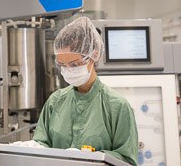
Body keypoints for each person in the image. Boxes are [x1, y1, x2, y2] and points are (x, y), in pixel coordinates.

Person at [32, 17, 138, 165]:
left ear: (93, 56)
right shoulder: (55, 101)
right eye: (63, 65)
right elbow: (42, 145)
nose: (68, 70)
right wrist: (33, 148)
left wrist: (90, 158)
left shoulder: (117, 106)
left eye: (74, 64)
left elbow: (127, 160)